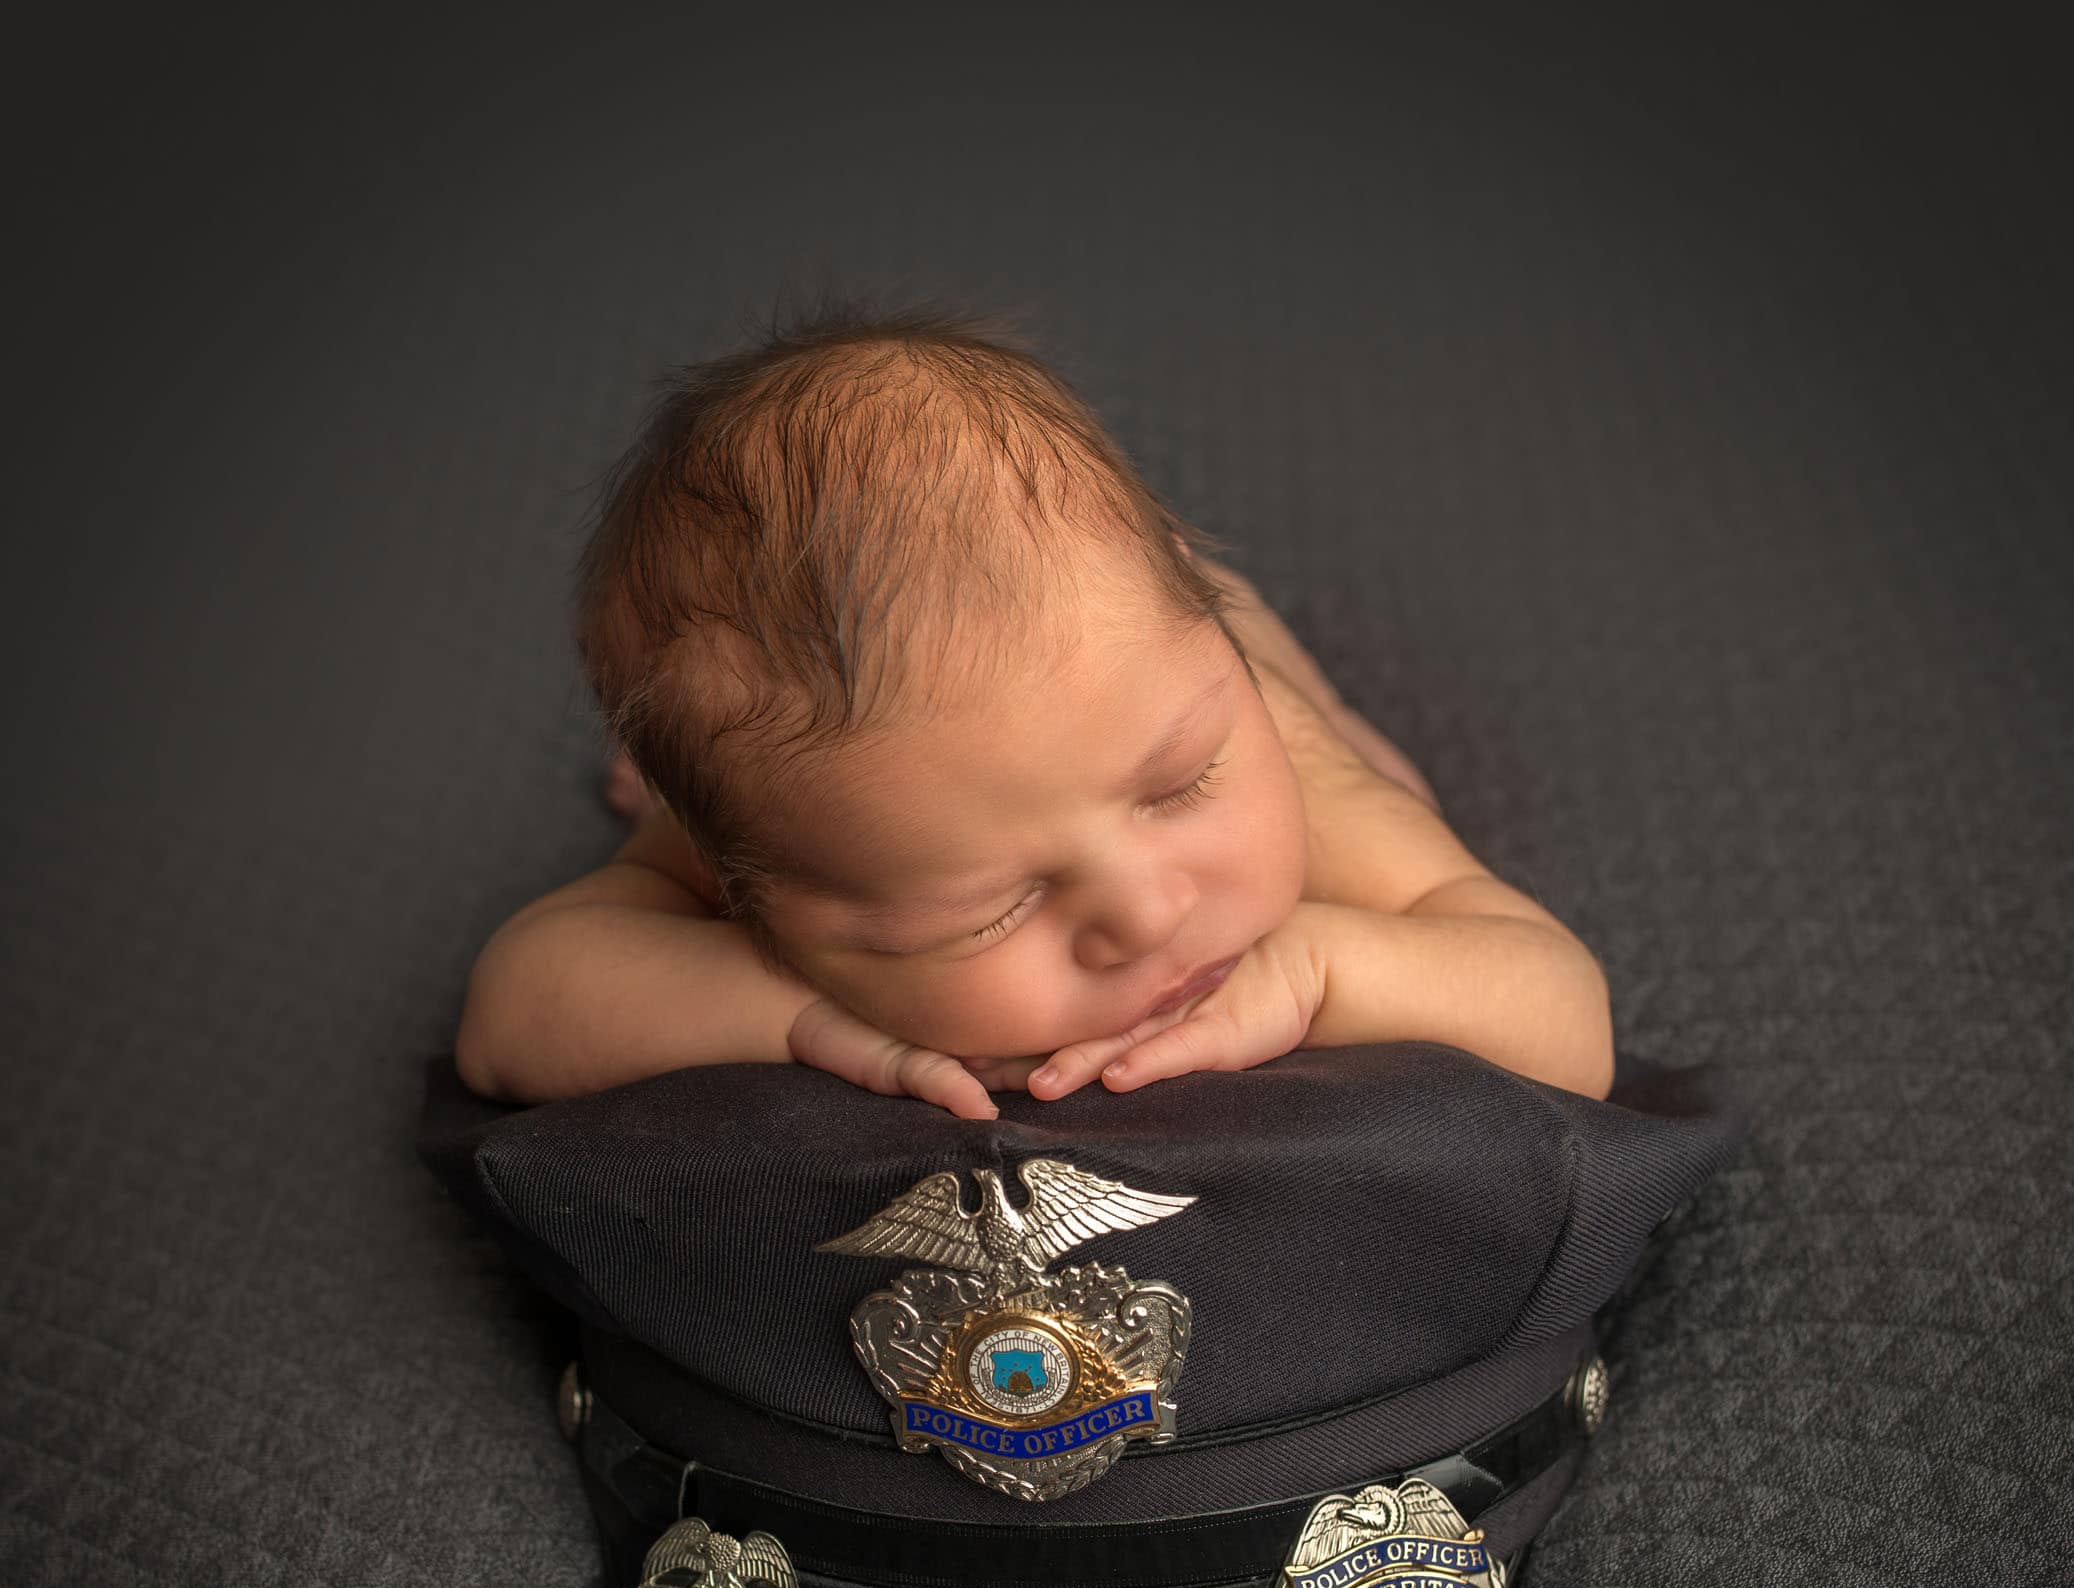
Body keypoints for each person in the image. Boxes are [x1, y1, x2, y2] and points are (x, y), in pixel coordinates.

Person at [453, 299, 1614, 1119]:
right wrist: (791, 1012)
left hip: (1219, 665)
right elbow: (509, 1020)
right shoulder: (796, 824)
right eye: (982, 912)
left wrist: (1318, 966)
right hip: (1048, 706)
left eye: (1185, 784)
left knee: (1375, 784)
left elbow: (1566, 1027)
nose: (1148, 914)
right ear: (753, 895)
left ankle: (1248, 646)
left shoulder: (1287, 774)